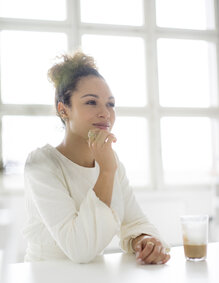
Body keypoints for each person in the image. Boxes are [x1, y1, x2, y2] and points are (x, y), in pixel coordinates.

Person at [23, 51, 170, 265]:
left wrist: (145, 240)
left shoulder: (111, 160)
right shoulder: (41, 165)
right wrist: (107, 171)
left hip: (94, 281)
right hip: (48, 282)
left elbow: (135, 221)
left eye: (110, 104)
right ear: (63, 110)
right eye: (91, 102)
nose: (105, 113)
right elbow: (80, 248)